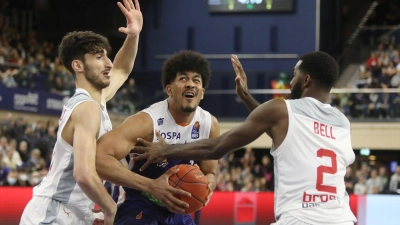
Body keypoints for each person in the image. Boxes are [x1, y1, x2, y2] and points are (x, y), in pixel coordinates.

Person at [133, 52, 358, 225]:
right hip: (342, 217)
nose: (291, 82)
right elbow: (285, 131)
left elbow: (218, 147)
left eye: (294, 76)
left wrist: (165, 149)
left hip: (300, 217)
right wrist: (247, 97)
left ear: (306, 80)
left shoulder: (281, 109)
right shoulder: (341, 122)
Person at [19, 0, 146, 224]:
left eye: (107, 55)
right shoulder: (87, 107)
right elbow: (83, 174)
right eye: (99, 57)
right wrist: (110, 209)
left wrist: (133, 35)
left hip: (68, 210)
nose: (108, 62)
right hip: (54, 212)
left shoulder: (98, 99)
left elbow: (122, 68)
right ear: (78, 66)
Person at [95, 50, 219, 225]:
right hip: (136, 201)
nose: (190, 84)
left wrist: (206, 189)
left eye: (196, 80)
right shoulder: (147, 122)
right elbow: (98, 158)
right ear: (169, 89)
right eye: (183, 79)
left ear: (202, 92)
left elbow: (210, 172)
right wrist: (150, 186)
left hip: (175, 207)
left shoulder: (209, 124)